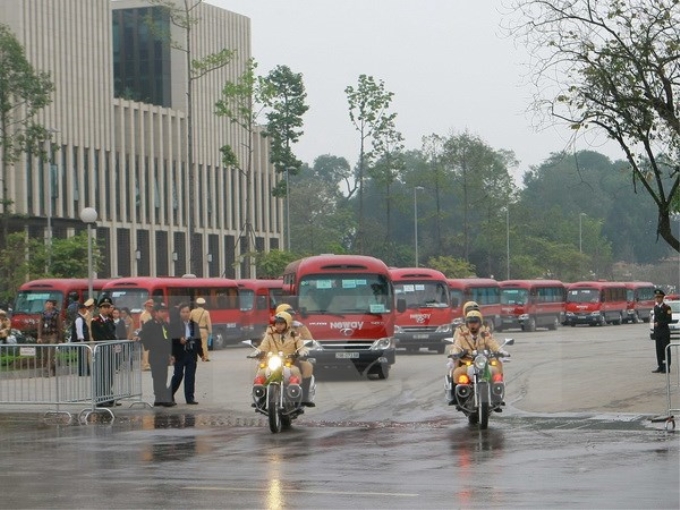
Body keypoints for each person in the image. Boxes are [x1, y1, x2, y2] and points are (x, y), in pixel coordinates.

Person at [448, 310, 509, 410]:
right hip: (467, 363)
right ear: (467, 324)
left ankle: (496, 397)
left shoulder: (485, 335)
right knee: (456, 372)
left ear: (480, 323)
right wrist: (454, 353)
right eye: (470, 322)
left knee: (497, 369)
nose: (473, 325)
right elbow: (456, 346)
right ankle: (456, 398)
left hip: (483, 363)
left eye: (475, 322)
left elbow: (493, 344)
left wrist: (501, 351)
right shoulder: (462, 336)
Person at [253, 311, 315, 407]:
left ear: (287, 324)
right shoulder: (270, 335)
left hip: (289, 363)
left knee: (296, 372)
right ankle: (262, 398)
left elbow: (302, 347)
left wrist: (302, 352)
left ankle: (300, 398)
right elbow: (263, 347)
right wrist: (257, 352)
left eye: (281, 324)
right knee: (261, 373)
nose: (278, 326)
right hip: (273, 362)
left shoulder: (294, 336)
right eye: (277, 324)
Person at [140, 303, 175, 407]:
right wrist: (138, 337)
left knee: (164, 376)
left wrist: (171, 353)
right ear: (156, 313)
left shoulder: (165, 324)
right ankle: (159, 398)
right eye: (162, 311)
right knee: (157, 377)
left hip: (164, 354)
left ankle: (163, 398)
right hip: (155, 354)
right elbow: (143, 334)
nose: (164, 314)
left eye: (165, 311)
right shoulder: (150, 324)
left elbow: (169, 340)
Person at [170, 302, 205, 405]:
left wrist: (201, 353)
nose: (185, 314)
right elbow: (170, 340)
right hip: (179, 353)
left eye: (187, 312)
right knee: (178, 375)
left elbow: (198, 341)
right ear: (179, 313)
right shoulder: (174, 325)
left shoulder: (194, 325)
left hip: (191, 353)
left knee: (190, 377)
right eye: (183, 312)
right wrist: (178, 341)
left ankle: (190, 398)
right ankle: (169, 394)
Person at [90, 297, 117, 407]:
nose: (106, 309)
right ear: (100, 308)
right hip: (101, 351)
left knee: (109, 373)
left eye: (108, 307)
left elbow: (113, 334)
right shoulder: (95, 321)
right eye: (104, 307)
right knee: (101, 374)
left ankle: (108, 394)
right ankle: (100, 397)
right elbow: (97, 336)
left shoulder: (110, 321)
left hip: (110, 350)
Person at [37, 299, 62, 376]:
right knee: (45, 355)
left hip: (53, 335)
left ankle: (47, 371)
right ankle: (53, 366)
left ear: (52, 305)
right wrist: (39, 337)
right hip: (44, 336)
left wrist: (60, 338)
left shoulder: (56, 314)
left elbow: (59, 326)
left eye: (50, 304)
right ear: (45, 305)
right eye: (47, 304)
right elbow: (40, 326)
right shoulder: (42, 314)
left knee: (50, 353)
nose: (49, 305)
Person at [652, 288, 672, 373]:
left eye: (659, 297)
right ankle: (660, 365)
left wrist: (659, 324)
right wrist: (654, 330)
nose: (657, 299)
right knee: (659, 349)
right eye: (656, 297)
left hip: (664, 332)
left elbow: (669, 320)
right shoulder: (655, 308)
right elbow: (655, 319)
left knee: (665, 349)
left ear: (662, 298)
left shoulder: (667, 308)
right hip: (658, 332)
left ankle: (666, 366)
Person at [70, 302, 91, 376]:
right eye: (85, 309)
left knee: (82, 356)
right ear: (82, 309)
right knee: (82, 356)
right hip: (81, 341)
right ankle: (84, 371)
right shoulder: (79, 318)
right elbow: (79, 330)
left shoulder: (79, 317)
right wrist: (82, 340)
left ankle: (83, 371)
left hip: (81, 341)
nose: (86, 310)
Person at [190, 297, 212, 362]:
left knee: (194, 344)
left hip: (194, 331)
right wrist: (210, 331)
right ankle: (205, 357)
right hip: (203, 330)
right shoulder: (206, 312)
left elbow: (189, 320)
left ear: (196, 304)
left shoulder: (193, 311)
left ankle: (194, 357)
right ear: (204, 304)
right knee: (204, 344)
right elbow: (208, 323)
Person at [139, 299, 155, 370]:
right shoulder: (145, 314)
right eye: (149, 307)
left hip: (148, 334)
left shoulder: (148, 314)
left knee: (148, 349)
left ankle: (147, 364)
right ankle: (146, 364)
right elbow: (146, 326)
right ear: (146, 306)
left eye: (151, 307)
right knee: (146, 350)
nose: (151, 308)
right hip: (146, 334)